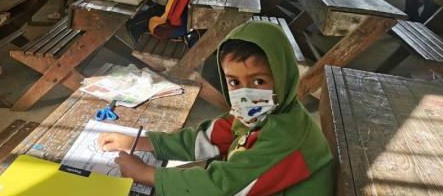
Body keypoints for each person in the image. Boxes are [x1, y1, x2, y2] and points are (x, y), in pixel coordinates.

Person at [98, 21, 334, 195]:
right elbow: (205, 138)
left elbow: (223, 186)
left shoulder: (288, 135)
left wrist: (147, 175)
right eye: (234, 82)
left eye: (259, 81)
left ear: (284, 77)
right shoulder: (255, 116)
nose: (245, 93)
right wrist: (139, 142)